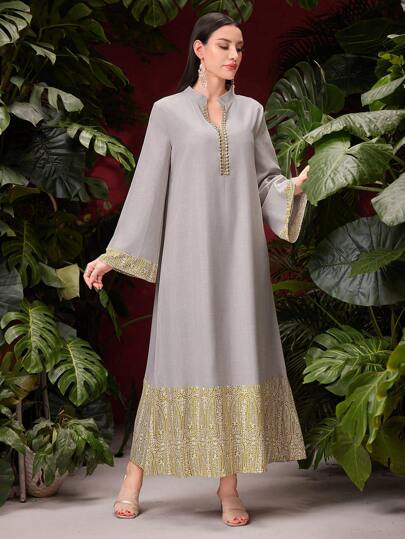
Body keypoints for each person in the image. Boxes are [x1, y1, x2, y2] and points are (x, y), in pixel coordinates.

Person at [83, 12, 310, 527]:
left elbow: (265, 181)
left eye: (240, 47)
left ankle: (229, 488)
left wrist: (290, 189)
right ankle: (133, 478)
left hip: (240, 260)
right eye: (224, 45)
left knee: (235, 360)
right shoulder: (168, 112)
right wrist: (112, 256)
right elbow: (147, 188)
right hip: (188, 258)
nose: (235, 55)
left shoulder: (251, 112)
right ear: (199, 49)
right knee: (173, 363)